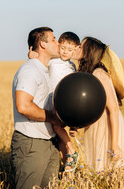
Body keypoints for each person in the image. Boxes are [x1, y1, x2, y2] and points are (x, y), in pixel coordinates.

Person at [11, 27, 63, 189]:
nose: (58, 43)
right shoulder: (30, 70)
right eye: (54, 39)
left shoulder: (44, 70)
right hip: (32, 144)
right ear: (42, 44)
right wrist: (53, 118)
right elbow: (23, 105)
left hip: (49, 143)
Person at [73, 37, 124, 172]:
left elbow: (114, 109)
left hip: (107, 132)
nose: (76, 48)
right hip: (96, 129)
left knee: (109, 174)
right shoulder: (89, 74)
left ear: (89, 52)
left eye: (80, 46)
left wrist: (114, 145)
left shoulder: (99, 74)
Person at [28, 31, 81, 172]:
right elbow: (39, 58)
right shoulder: (53, 61)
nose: (65, 52)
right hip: (52, 100)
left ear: (75, 50)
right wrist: (31, 55)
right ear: (59, 46)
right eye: (63, 48)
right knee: (57, 130)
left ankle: (70, 151)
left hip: (63, 102)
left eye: (69, 50)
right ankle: (68, 160)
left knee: (58, 128)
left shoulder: (72, 67)